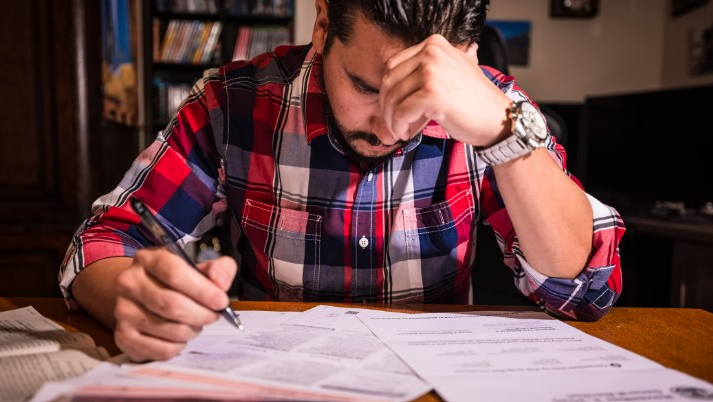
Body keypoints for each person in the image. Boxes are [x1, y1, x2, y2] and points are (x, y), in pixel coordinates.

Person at [60, 0, 625, 362]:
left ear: (467, 59)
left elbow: (586, 286)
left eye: (420, 98)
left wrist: (501, 133)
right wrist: (130, 298)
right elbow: (103, 243)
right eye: (368, 88)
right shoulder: (231, 103)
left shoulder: (497, 112)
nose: (392, 126)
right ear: (323, 23)